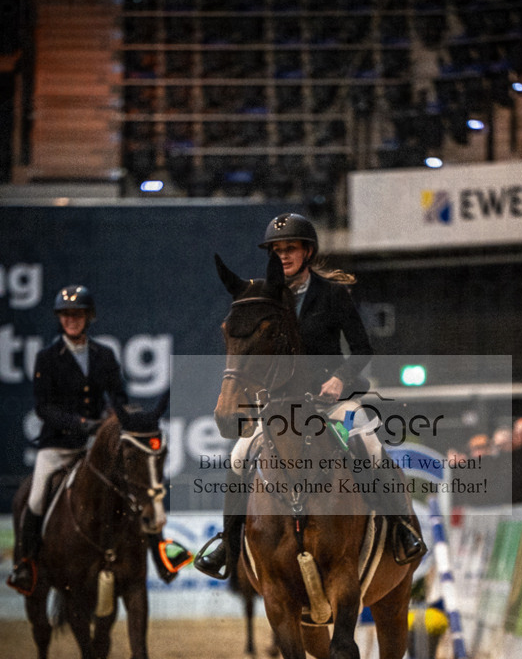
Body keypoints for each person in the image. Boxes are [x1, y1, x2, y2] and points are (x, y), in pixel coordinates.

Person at [194, 212, 425, 579]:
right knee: (239, 456)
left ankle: (401, 529)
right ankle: (229, 542)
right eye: (277, 250)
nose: (283, 256)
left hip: (329, 399)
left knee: (370, 445)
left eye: (290, 249)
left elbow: (363, 350)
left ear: (308, 251)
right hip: (281, 404)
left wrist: (338, 378)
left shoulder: (332, 294)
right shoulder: (264, 296)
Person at [7, 284, 192, 595]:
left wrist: (115, 420)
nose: (71, 320)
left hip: (94, 447)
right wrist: (82, 424)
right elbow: (43, 407)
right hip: (57, 446)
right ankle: (26, 564)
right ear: (60, 319)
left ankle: (162, 555)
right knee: (36, 495)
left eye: (77, 314)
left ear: (87, 317)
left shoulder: (103, 355)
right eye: (66, 315)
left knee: (135, 492)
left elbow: (118, 396)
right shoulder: (48, 358)